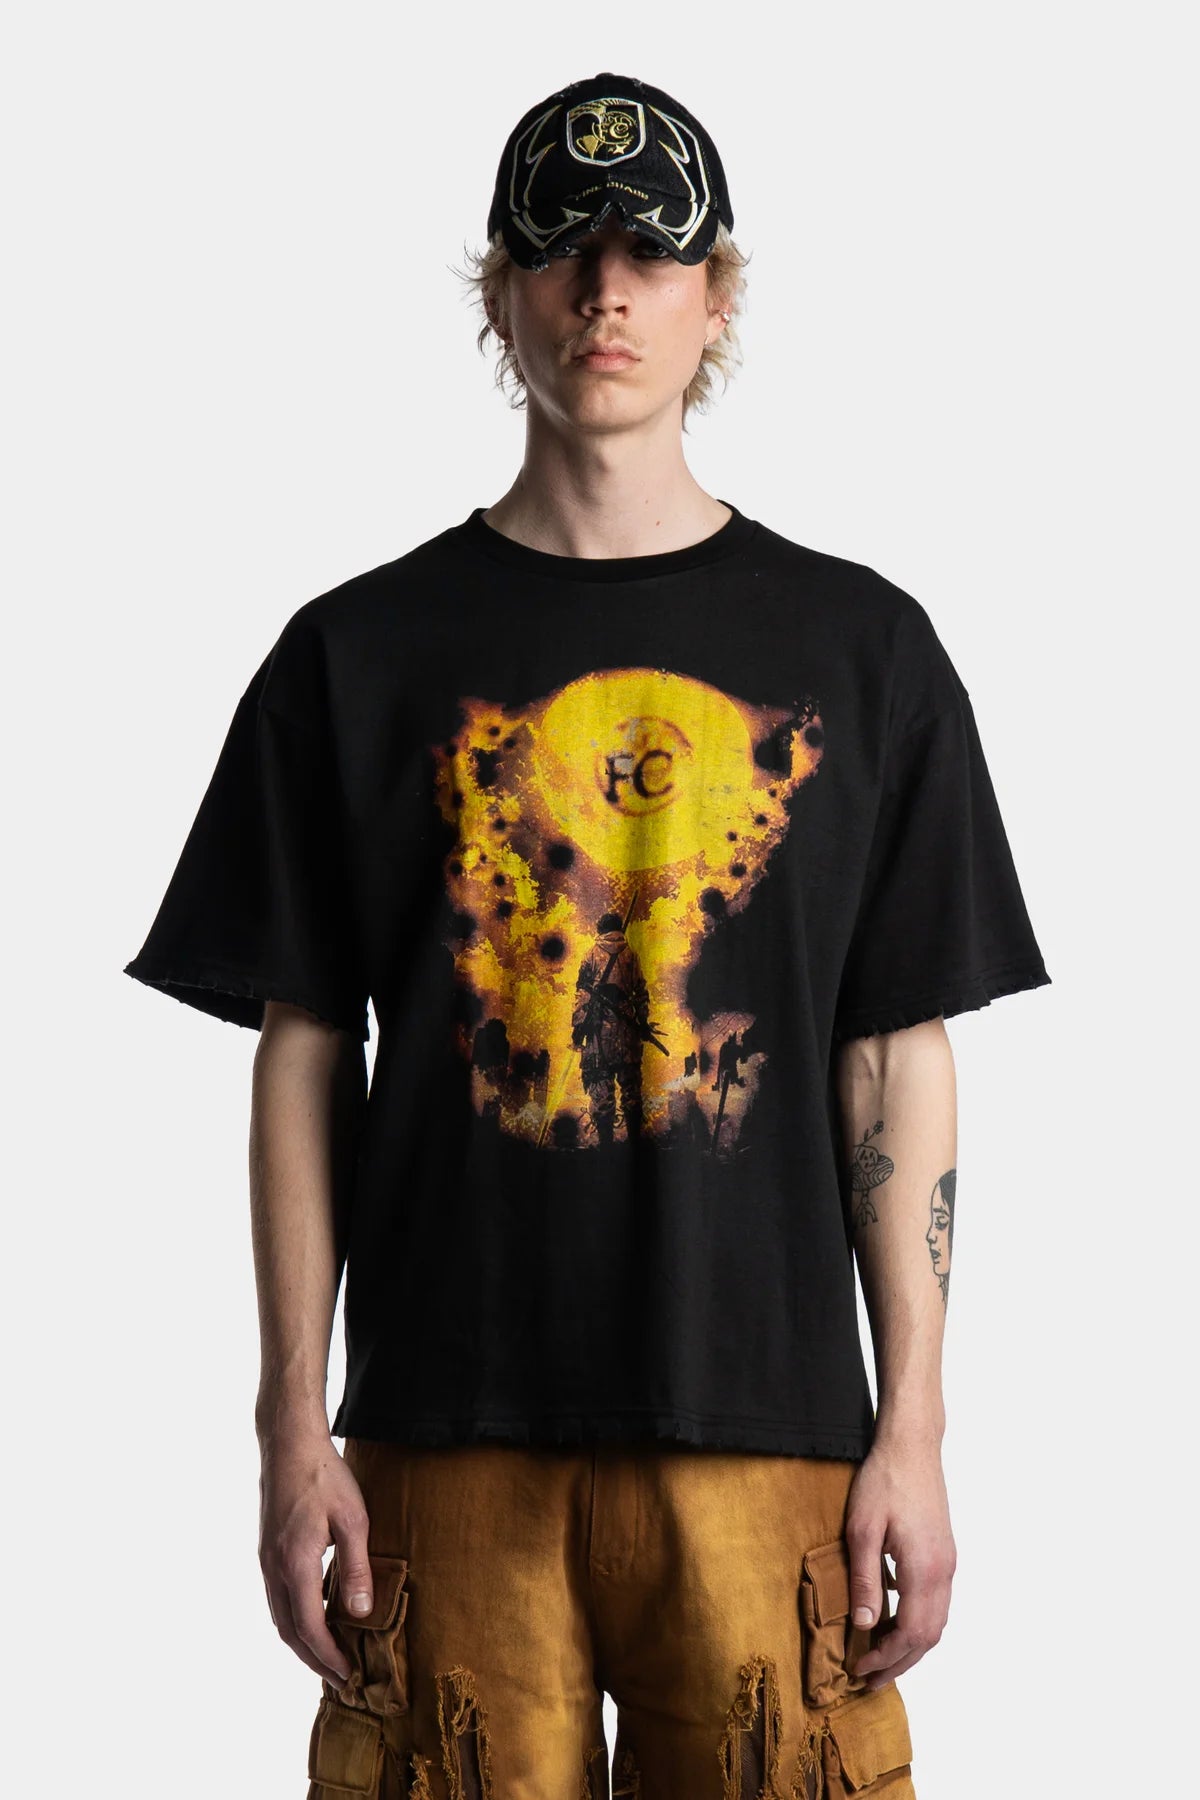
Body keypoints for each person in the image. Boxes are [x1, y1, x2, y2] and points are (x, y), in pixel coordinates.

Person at [123, 71, 1050, 1800]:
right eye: (559, 252)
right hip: (445, 1442)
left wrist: (915, 1424)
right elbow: (305, 1056)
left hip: (770, 1434)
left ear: (718, 297)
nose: (605, 292)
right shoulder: (354, 657)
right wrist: (288, 1423)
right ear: (502, 297)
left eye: (652, 254)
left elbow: (893, 1059)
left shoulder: (867, 656)